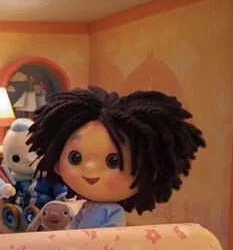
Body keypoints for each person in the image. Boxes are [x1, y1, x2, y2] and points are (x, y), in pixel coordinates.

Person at [26, 86, 205, 229]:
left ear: (148, 171)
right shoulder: (83, 206)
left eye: (113, 162)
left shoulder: (113, 213)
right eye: (75, 157)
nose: (90, 169)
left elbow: (112, 239)